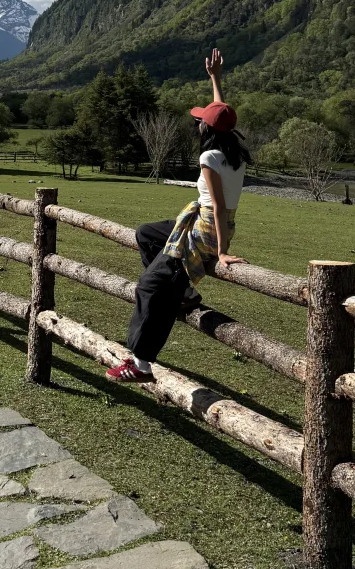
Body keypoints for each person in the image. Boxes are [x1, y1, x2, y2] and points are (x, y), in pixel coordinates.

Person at [107, 48, 251, 383]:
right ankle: (183, 292)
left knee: (149, 285)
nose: (197, 122)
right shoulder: (233, 152)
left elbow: (215, 204)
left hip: (203, 229)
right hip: (206, 221)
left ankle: (140, 364)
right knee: (147, 233)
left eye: (200, 120)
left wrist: (222, 249)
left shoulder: (210, 157)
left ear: (206, 128)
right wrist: (215, 79)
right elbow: (222, 115)